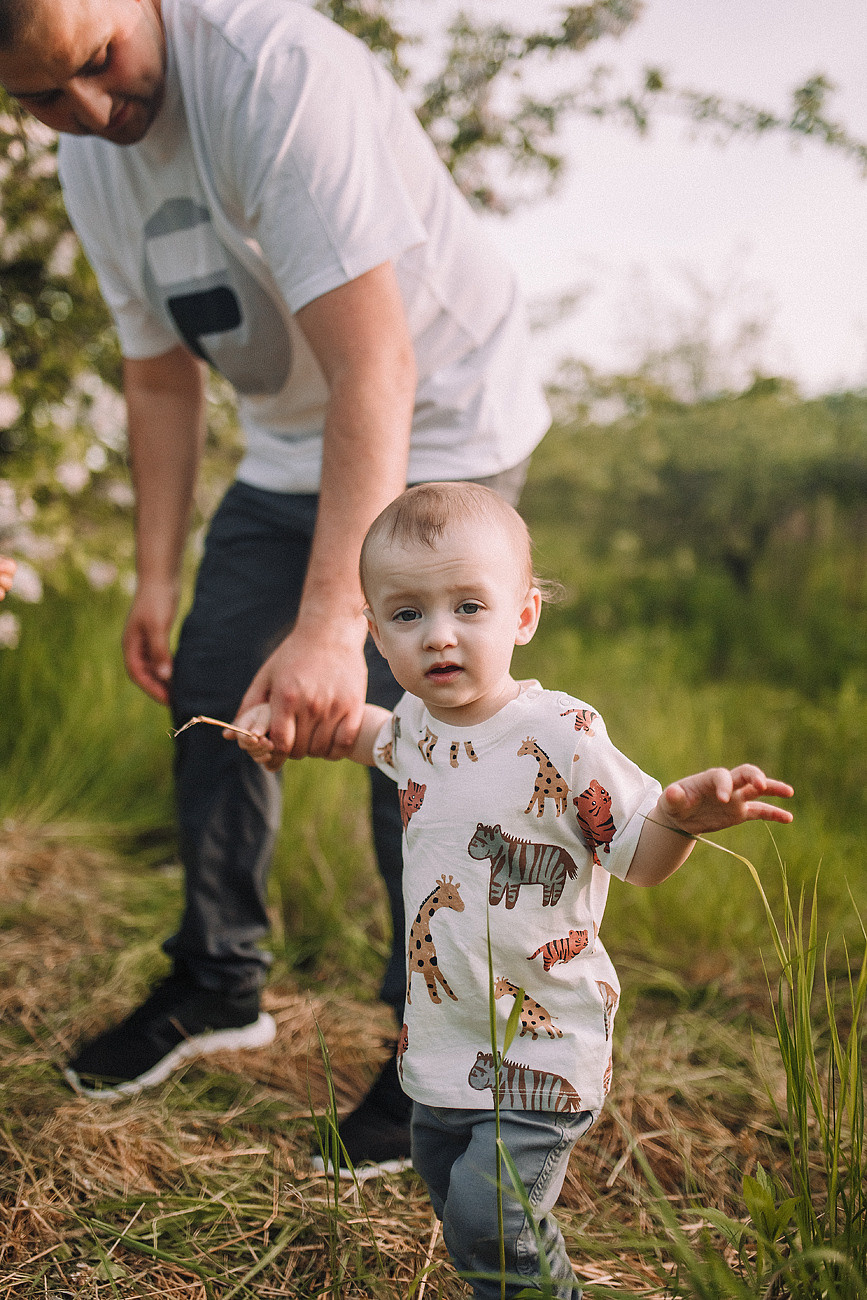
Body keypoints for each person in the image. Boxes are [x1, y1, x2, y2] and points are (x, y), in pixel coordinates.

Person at [0, 0, 550, 1157]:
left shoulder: (276, 74)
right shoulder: (94, 167)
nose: (93, 113)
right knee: (210, 674)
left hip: (439, 413)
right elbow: (158, 381)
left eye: (98, 63)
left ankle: (445, 1055)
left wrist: (332, 622)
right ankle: (219, 982)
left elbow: (376, 365)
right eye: (44, 98)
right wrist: (155, 577)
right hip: (299, 446)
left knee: (410, 717)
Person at [235, 481, 794, 1298]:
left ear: (523, 616)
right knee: (450, 1188)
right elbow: (363, 734)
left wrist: (683, 816)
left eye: (468, 606)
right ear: (372, 633)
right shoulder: (417, 728)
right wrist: (285, 731)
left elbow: (636, 854)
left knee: (493, 1224)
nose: (439, 636)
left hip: (540, 1048)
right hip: (441, 1042)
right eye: (406, 614)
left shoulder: (560, 733)